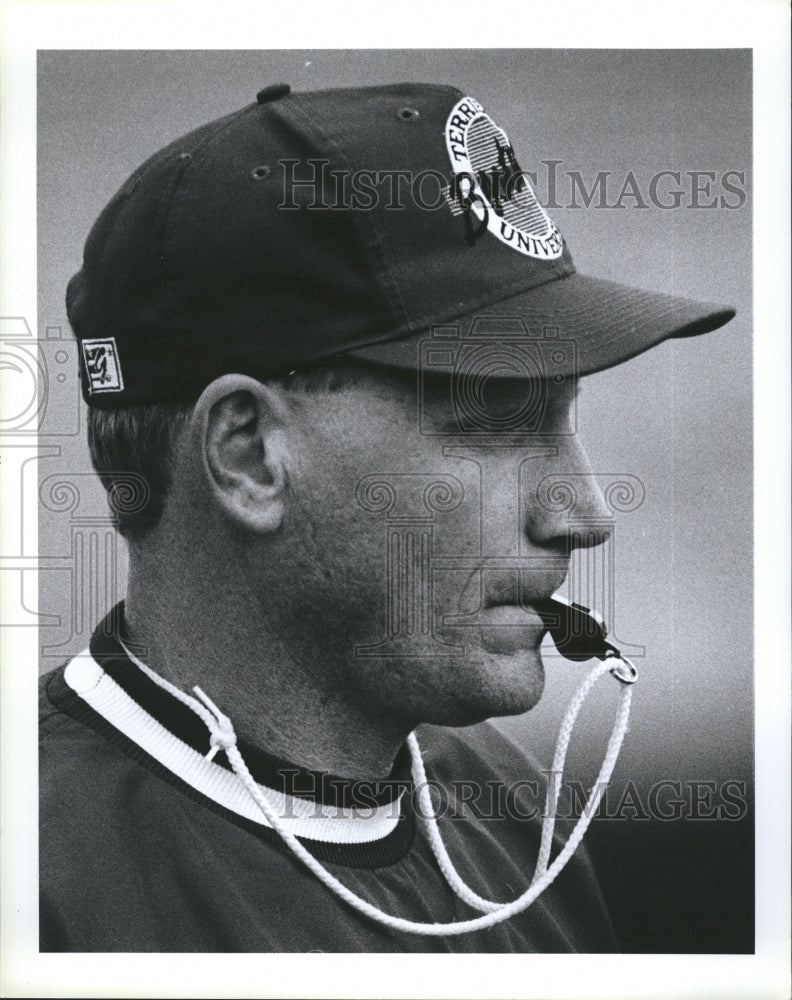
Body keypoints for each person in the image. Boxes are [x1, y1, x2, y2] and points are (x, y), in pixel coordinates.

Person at [39, 81, 735, 952]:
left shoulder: (516, 832)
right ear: (249, 454)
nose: (584, 512)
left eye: (568, 416)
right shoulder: (39, 884)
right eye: (497, 417)